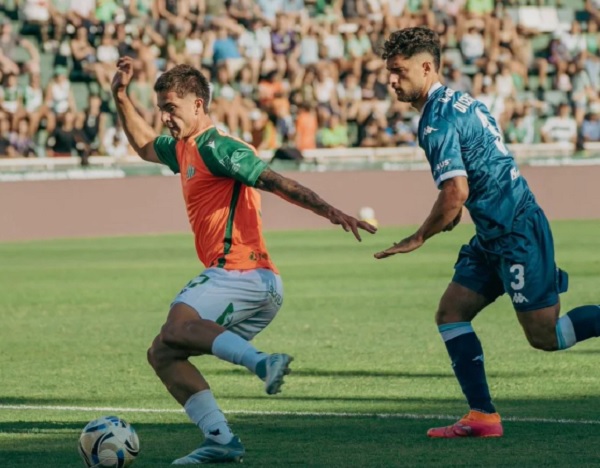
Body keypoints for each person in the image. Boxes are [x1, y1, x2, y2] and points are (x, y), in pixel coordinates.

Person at [111, 56, 376, 464]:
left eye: (171, 108)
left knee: (177, 324)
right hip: (246, 280)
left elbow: (275, 182)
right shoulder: (184, 149)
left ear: (198, 105)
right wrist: (120, 96)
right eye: (161, 108)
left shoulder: (217, 146)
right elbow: (145, 145)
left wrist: (331, 211)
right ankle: (220, 439)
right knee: (163, 352)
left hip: (242, 271)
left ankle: (262, 363)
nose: (164, 117)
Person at [374, 27, 600, 439]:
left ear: (426, 68)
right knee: (450, 313)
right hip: (493, 232)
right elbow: (477, 170)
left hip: (516, 231)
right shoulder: (460, 101)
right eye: (389, 70)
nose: (391, 79)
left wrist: (418, 236)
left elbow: (455, 191)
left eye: (399, 71)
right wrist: (459, 206)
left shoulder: (437, 119)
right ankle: (483, 416)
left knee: (546, 336)